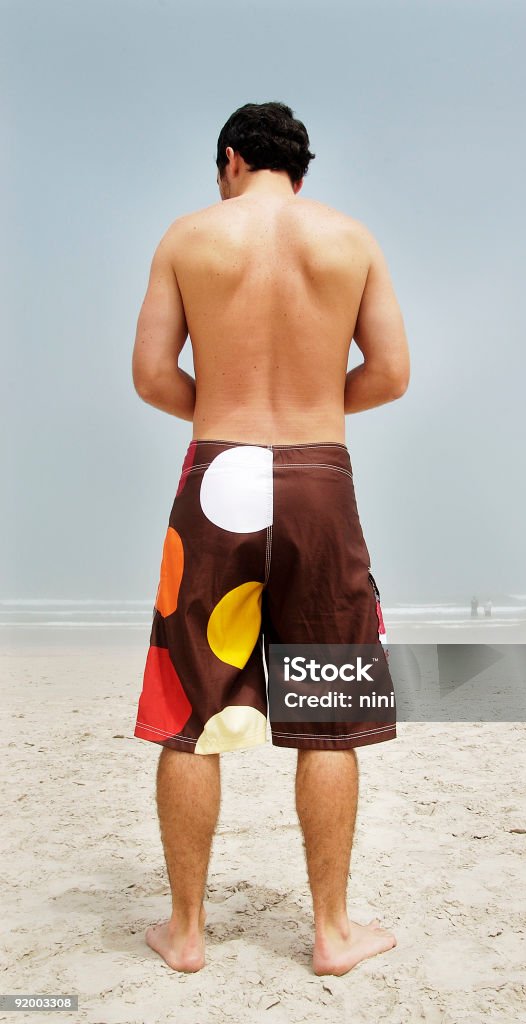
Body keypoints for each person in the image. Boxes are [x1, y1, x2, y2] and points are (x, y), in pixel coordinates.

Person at [130, 101, 410, 977]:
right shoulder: (349, 239)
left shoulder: (189, 236)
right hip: (320, 476)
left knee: (193, 714)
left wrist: (224, 420)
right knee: (327, 716)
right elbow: (392, 376)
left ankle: (185, 934)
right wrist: (316, 411)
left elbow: (149, 377)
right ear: (298, 168)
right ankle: (331, 932)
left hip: (218, 477)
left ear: (229, 160)